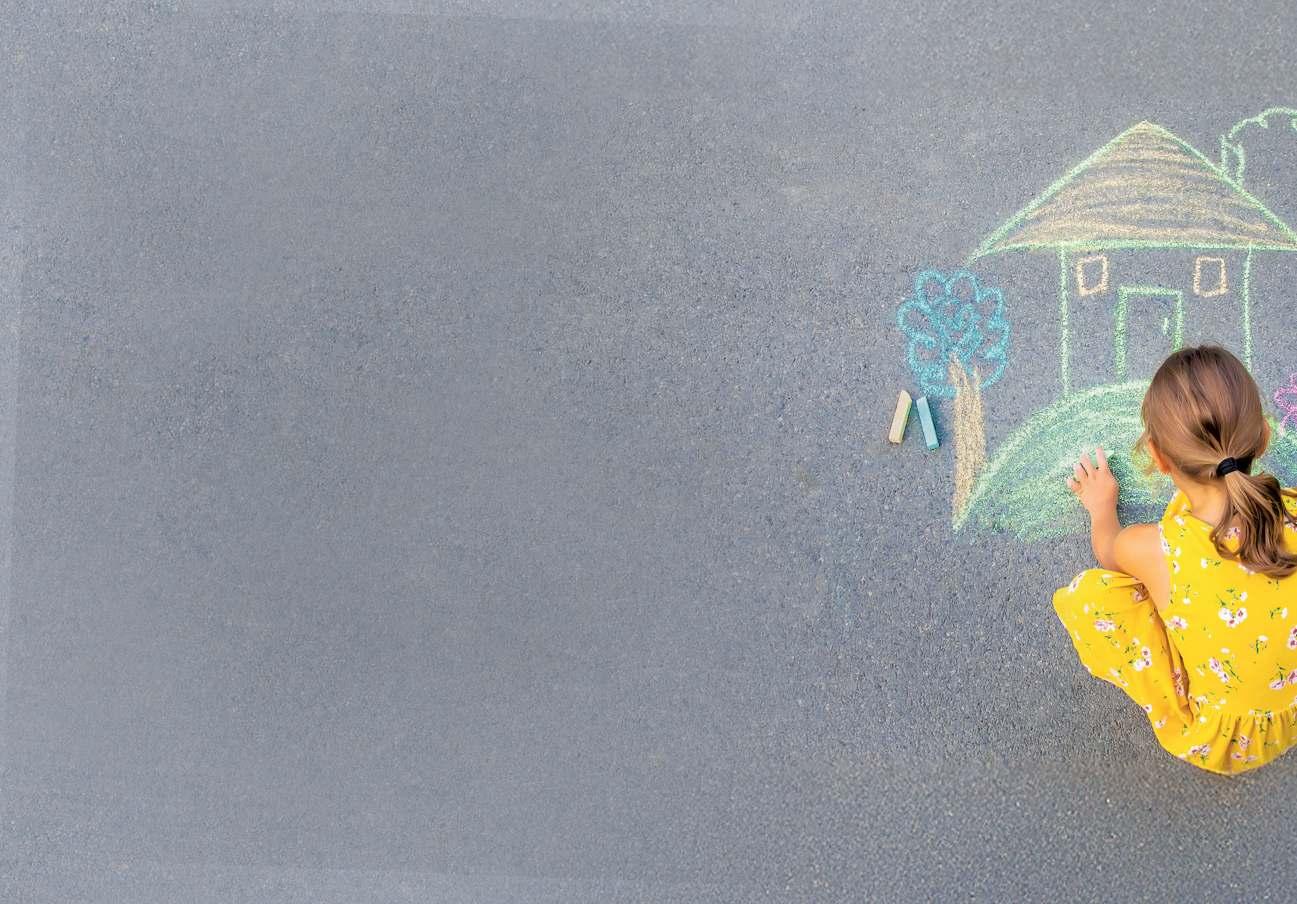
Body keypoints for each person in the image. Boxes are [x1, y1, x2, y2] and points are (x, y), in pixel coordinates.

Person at [1054, 345, 1297, 775]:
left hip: (1222, 739)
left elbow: (1109, 553)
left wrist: (1102, 506)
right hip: (1288, 712)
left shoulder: (1156, 549)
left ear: (1158, 457)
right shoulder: (1291, 509)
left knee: (1091, 598)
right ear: (1263, 436)